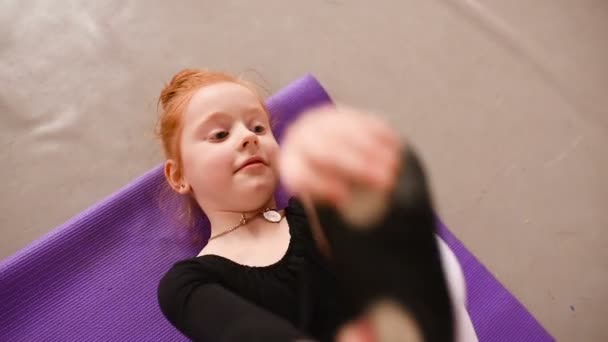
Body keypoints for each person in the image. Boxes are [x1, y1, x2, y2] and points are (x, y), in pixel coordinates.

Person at [156, 69, 478, 341]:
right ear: (179, 175)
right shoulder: (188, 285)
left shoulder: (321, 213)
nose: (248, 137)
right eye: (219, 134)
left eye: (258, 127)